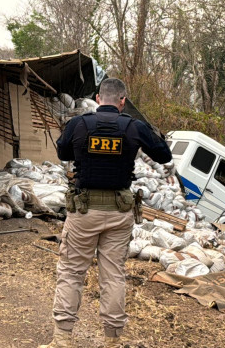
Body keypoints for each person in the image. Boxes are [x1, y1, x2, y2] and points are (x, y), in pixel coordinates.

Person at [40, 78, 172, 348]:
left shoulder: (80, 124)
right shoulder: (134, 127)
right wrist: (147, 132)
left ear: (99, 98)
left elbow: (62, 150)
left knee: (72, 272)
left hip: (84, 212)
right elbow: (163, 155)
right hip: (119, 212)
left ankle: (62, 340)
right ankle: (111, 342)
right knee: (113, 275)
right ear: (122, 101)